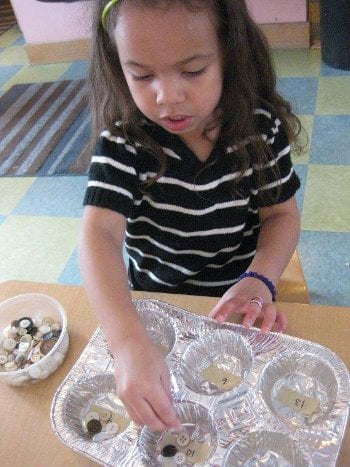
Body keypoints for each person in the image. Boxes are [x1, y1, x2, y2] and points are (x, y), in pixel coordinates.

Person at [79, 0, 302, 432]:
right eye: (142, 75)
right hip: (158, 304)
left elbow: (281, 215)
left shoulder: (258, 128)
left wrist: (262, 277)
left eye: (193, 71)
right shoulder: (125, 142)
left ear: (228, 54)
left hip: (236, 300)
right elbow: (99, 232)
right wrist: (125, 339)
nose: (167, 96)